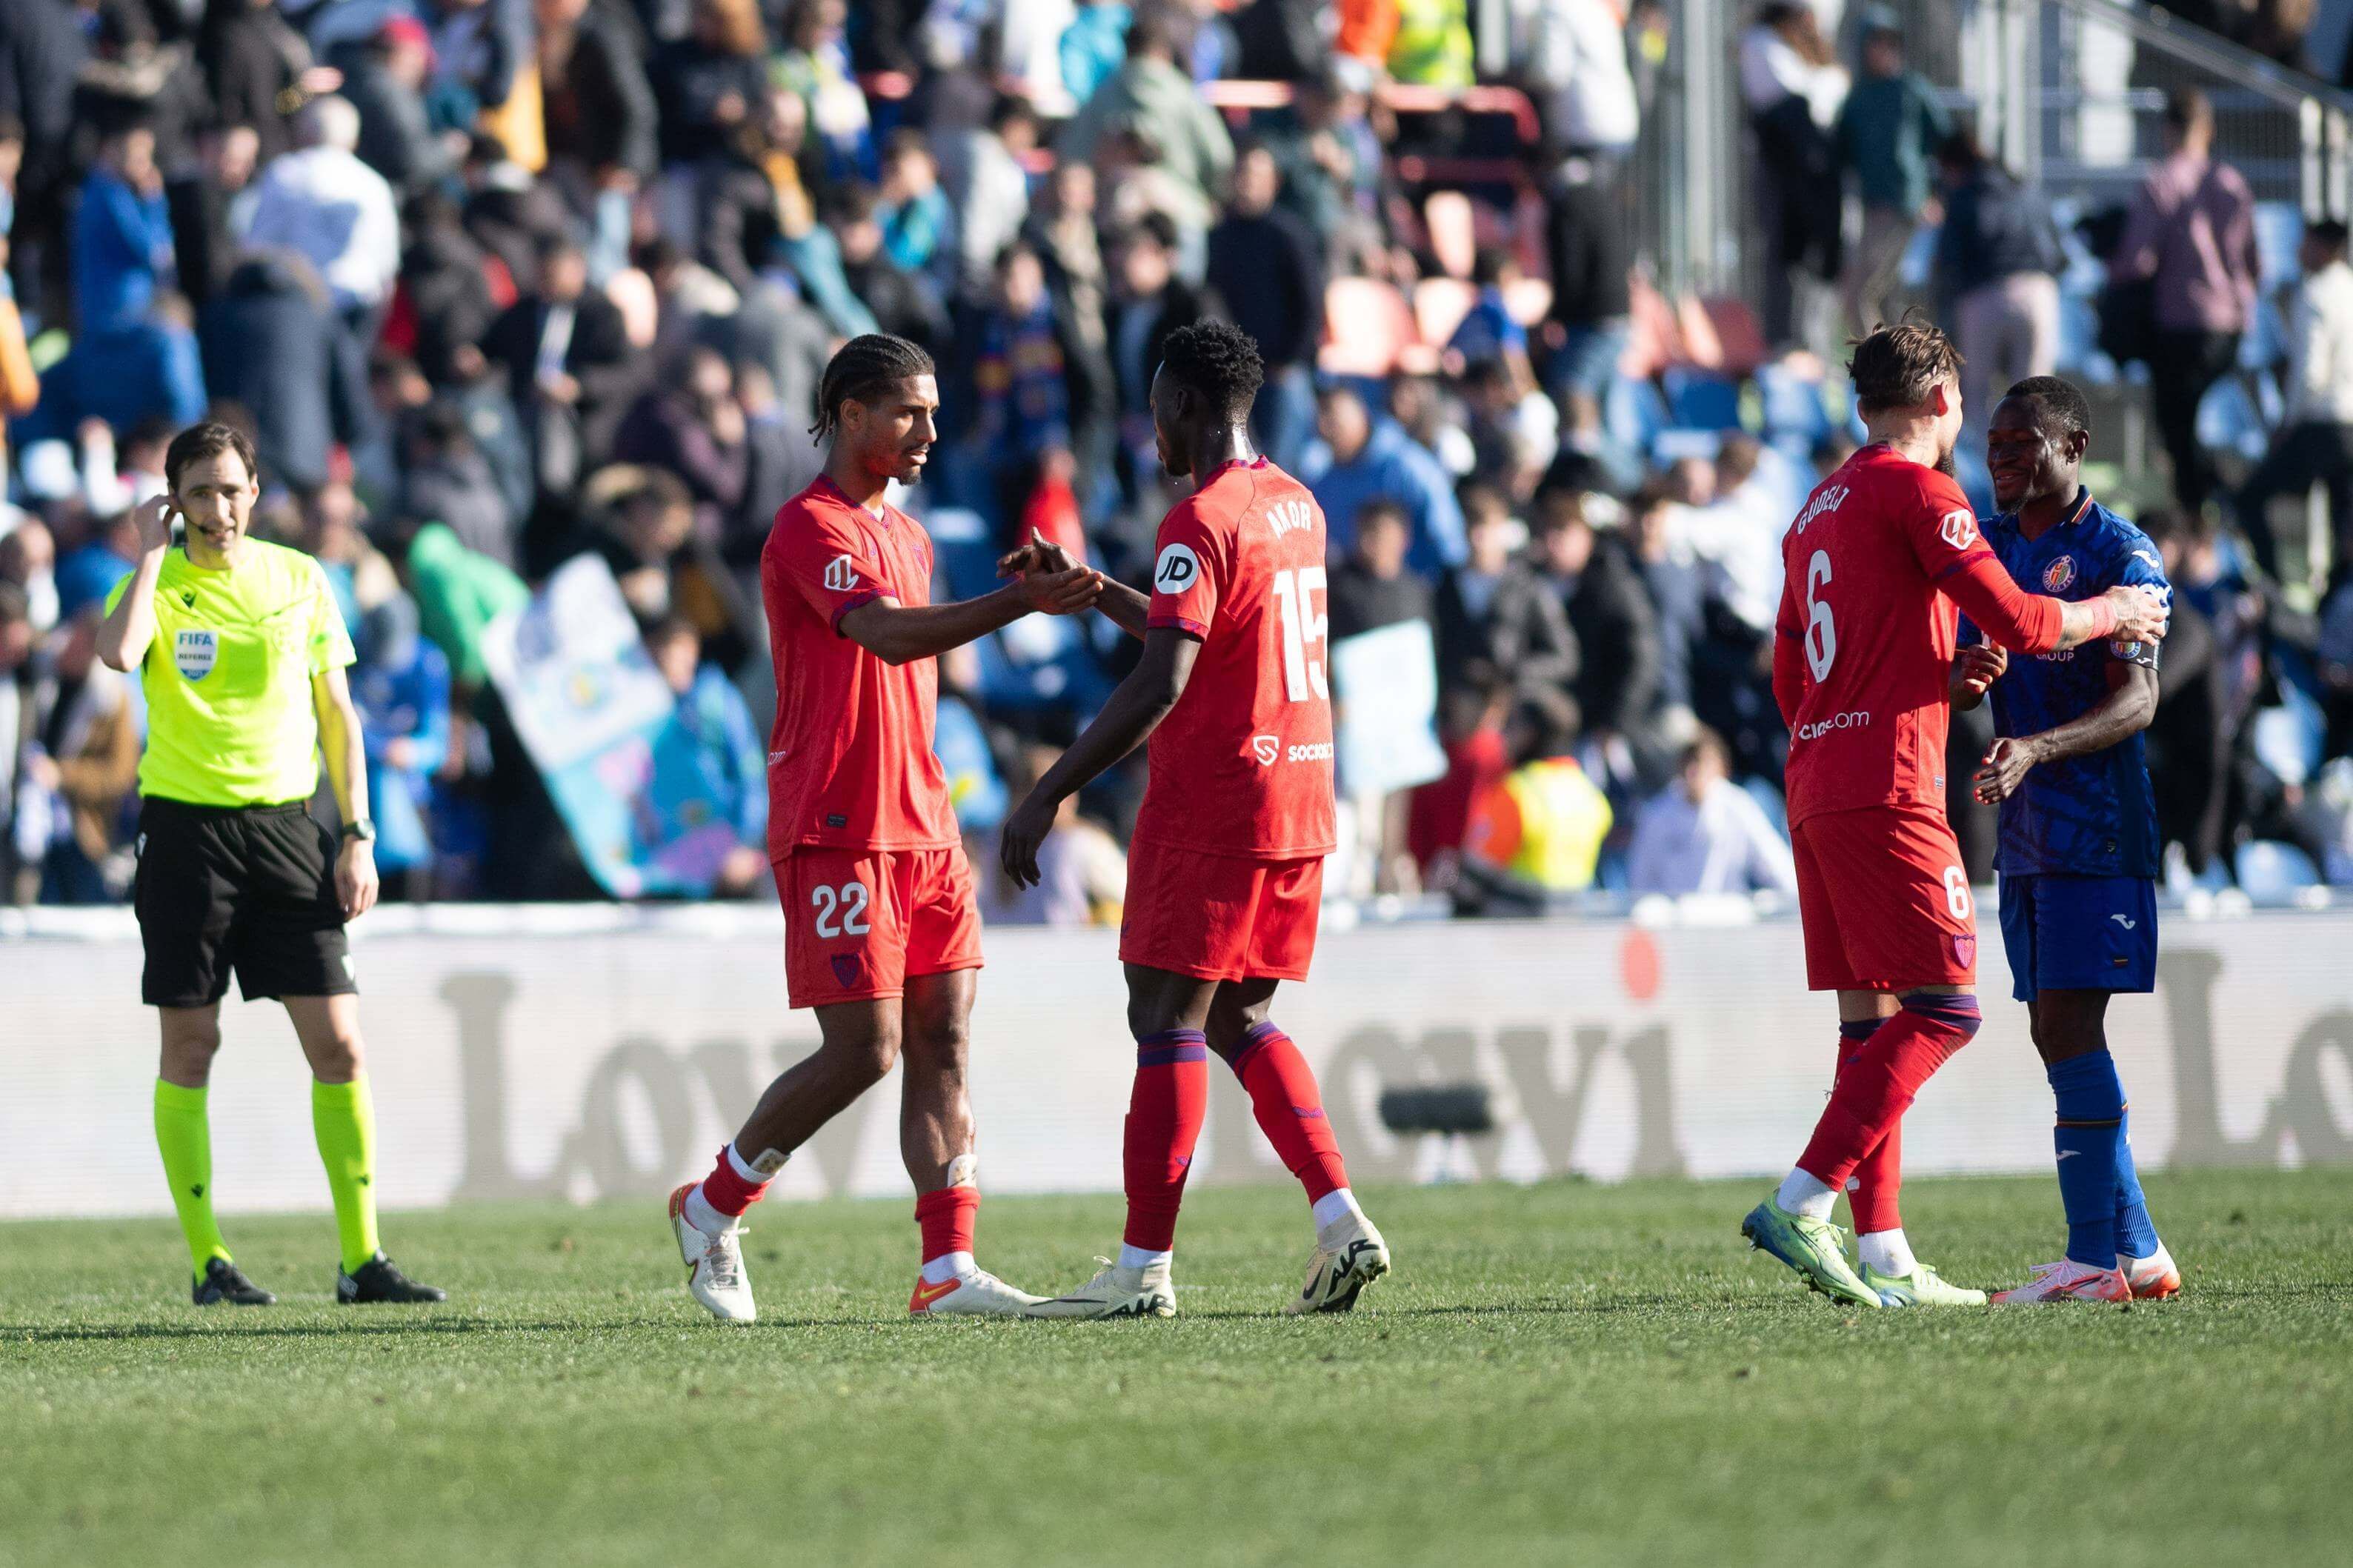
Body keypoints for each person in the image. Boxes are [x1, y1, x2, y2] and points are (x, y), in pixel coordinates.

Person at [663, 333, 1101, 1323]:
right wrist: (1013, 605)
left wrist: (1024, 591)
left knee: (943, 1039)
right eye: (909, 411)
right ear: (849, 413)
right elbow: (890, 636)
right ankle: (712, 1204)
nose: (929, 431)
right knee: (866, 1048)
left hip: (928, 824)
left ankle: (946, 1268)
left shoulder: (908, 536)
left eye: (935, 411)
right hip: (838, 820)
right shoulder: (807, 531)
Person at [1741, 322, 2170, 1310]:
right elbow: (2023, 621)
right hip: (1888, 784)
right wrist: (2115, 614)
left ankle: (1886, 1250)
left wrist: (1925, 680)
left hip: (1815, 777)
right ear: (1943, 400)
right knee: (1948, 1006)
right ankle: (1806, 1200)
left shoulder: (1814, 508)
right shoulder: (1920, 492)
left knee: (1871, 1020)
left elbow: (1791, 672)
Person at [997, 319, 1391, 1318]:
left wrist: (1049, 789)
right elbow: (1209, 631)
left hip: (1219, 797)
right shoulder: (1293, 506)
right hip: (1298, 792)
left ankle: (1141, 1273)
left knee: (1163, 1014)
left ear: (1180, 404)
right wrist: (1096, 595)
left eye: (1156, 409)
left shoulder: (1199, 519)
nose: (1150, 431)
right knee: (1240, 1015)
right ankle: (1341, 1216)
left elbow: (1167, 675)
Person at [92, 422, 444, 1307]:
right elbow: (118, 654)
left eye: (232, 489)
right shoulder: (155, 582)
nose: (219, 509)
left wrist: (356, 831)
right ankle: (210, 1259)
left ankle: (361, 1261)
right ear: (176, 498)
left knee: (340, 1045)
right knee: (192, 1045)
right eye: (200, 492)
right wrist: (145, 552)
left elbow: (339, 717)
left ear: (255, 492)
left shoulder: (299, 578)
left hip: (289, 836)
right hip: (184, 839)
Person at [1948, 376, 2186, 1305]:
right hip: (2028, 829)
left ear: (2073, 444)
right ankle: (2139, 1253)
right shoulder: (1994, 545)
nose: (2001, 458)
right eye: (1993, 444)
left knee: (2063, 1024)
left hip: (2095, 825)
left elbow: (2138, 697)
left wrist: (2037, 746)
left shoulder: (2118, 552)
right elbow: (1969, 669)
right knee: (2055, 1033)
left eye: (2021, 444)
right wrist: (1968, 680)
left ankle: (2091, 1261)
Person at [2108, 89, 2258, 516]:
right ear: (2208, 130)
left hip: (2179, 327)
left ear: (2169, 129)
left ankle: (2201, 519)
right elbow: (2253, 262)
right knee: (2196, 430)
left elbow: (2137, 261)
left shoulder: (2161, 180)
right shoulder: (2233, 182)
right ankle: (2214, 510)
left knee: (2178, 434)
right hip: (2229, 328)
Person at [2235, 218, 2353, 588]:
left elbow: (2310, 374)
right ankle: (2336, 596)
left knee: (2250, 498)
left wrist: (2287, 424)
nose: (2300, 252)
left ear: (2322, 247)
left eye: (2306, 243)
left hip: (2322, 424)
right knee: (2343, 522)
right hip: (2350, 426)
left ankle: (2274, 587)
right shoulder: (2349, 289)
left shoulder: (2316, 293)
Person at [1934, 129, 2066, 449]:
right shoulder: (2026, 189)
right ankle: (2036, 492)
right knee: (2035, 407)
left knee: (1975, 404)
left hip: (1984, 297)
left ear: (1952, 167)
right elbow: (2059, 254)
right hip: (2039, 294)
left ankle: (1986, 490)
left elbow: (1948, 264)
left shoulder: (1964, 195)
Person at [1835, 9, 1948, 336]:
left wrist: (1936, 193)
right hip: (1874, 208)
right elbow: (1842, 151)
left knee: (1873, 293)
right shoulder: (1857, 98)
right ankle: (1886, 364)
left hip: (1909, 207)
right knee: (1869, 295)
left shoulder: (1912, 89)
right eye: (1875, 42)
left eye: (1889, 42)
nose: (1882, 50)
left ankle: (1887, 365)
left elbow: (1945, 142)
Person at [1625, 727, 1797, 896]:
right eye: (1689, 761)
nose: (1694, 771)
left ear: (1721, 767)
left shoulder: (1738, 806)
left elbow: (1777, 868)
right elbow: (1640, 880)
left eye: (1702, 762)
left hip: (1726, 916)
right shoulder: (1657, 813)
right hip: (1673, 919)